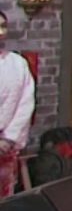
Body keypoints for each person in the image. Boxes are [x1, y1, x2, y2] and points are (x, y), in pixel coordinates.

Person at [0, 12, 34, 198]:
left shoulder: (18, 64)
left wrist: (8, 139)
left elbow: (25, 104)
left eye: (3, 26)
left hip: (5, 144)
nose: (1, 32)